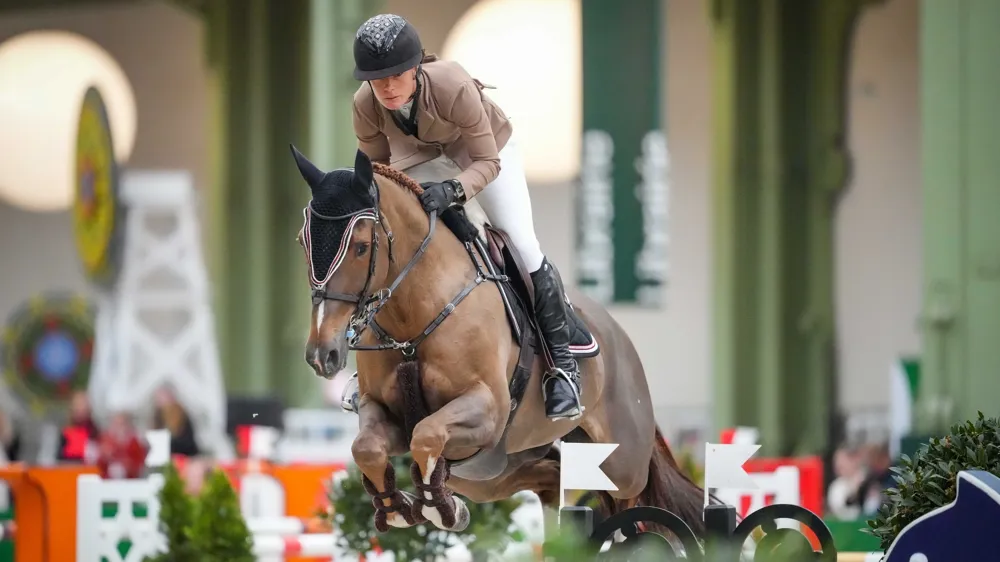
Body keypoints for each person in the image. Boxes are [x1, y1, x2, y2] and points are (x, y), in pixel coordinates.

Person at [350, 13, 581, 420]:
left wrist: (454, 191)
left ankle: (562, 368)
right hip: (421, 163)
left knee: (522, 243)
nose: (386, 87)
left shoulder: (452, 84)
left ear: (416, 68)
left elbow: (488, 161)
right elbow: (378, 173)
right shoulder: (365, 104)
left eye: (396, 75)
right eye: (376, 78)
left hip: (485, 156)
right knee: (391, 245)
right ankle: (368, 364)